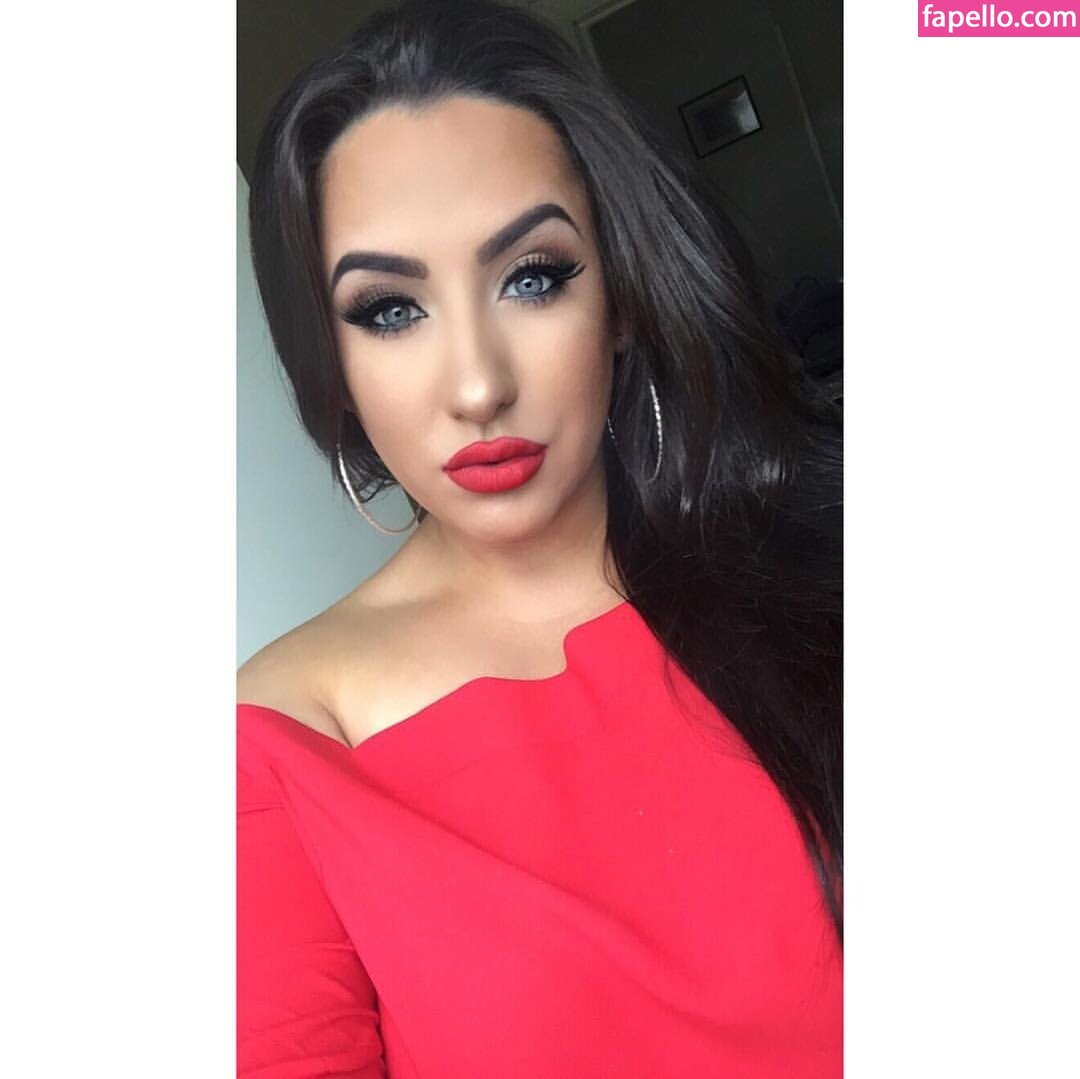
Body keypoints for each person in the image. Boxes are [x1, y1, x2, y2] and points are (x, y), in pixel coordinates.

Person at [237, 1, 843, 1075]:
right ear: (329, 358)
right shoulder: (280, 743)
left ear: (622, 298)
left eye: (533, 277)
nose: (478, 384)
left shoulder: (819, 566)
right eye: (389, 309)